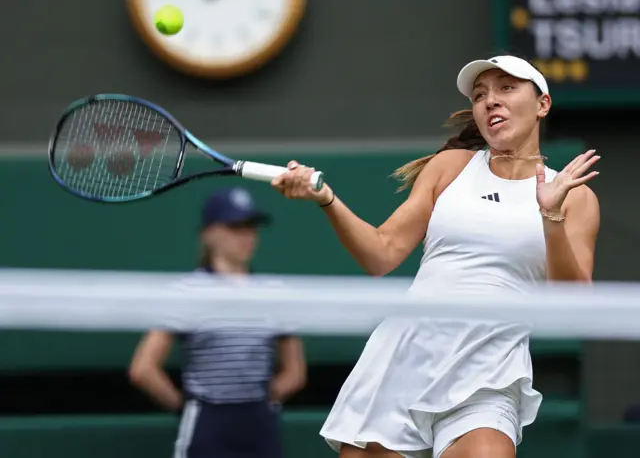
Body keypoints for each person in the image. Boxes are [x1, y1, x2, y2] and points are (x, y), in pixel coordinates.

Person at [271, 55, 600, 458]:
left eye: (506, 88)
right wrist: (327, 199)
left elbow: (576, 304)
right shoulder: (450, 168)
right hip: (404, 359)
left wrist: (551, 214)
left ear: (542, 104)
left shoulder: (576, 197)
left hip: (489, 373)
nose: (490, 101)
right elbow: (381, 253)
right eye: (480, 95)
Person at [128, 186, 307, 458]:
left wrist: (264, 401)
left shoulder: (275, 293)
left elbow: (295, 372)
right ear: (209, 233)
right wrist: (188, 408)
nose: (246, 236)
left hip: (261, 426)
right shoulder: (185, 293)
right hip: (208, 427)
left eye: (251, 227)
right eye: (235, 227)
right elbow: (143, 369)